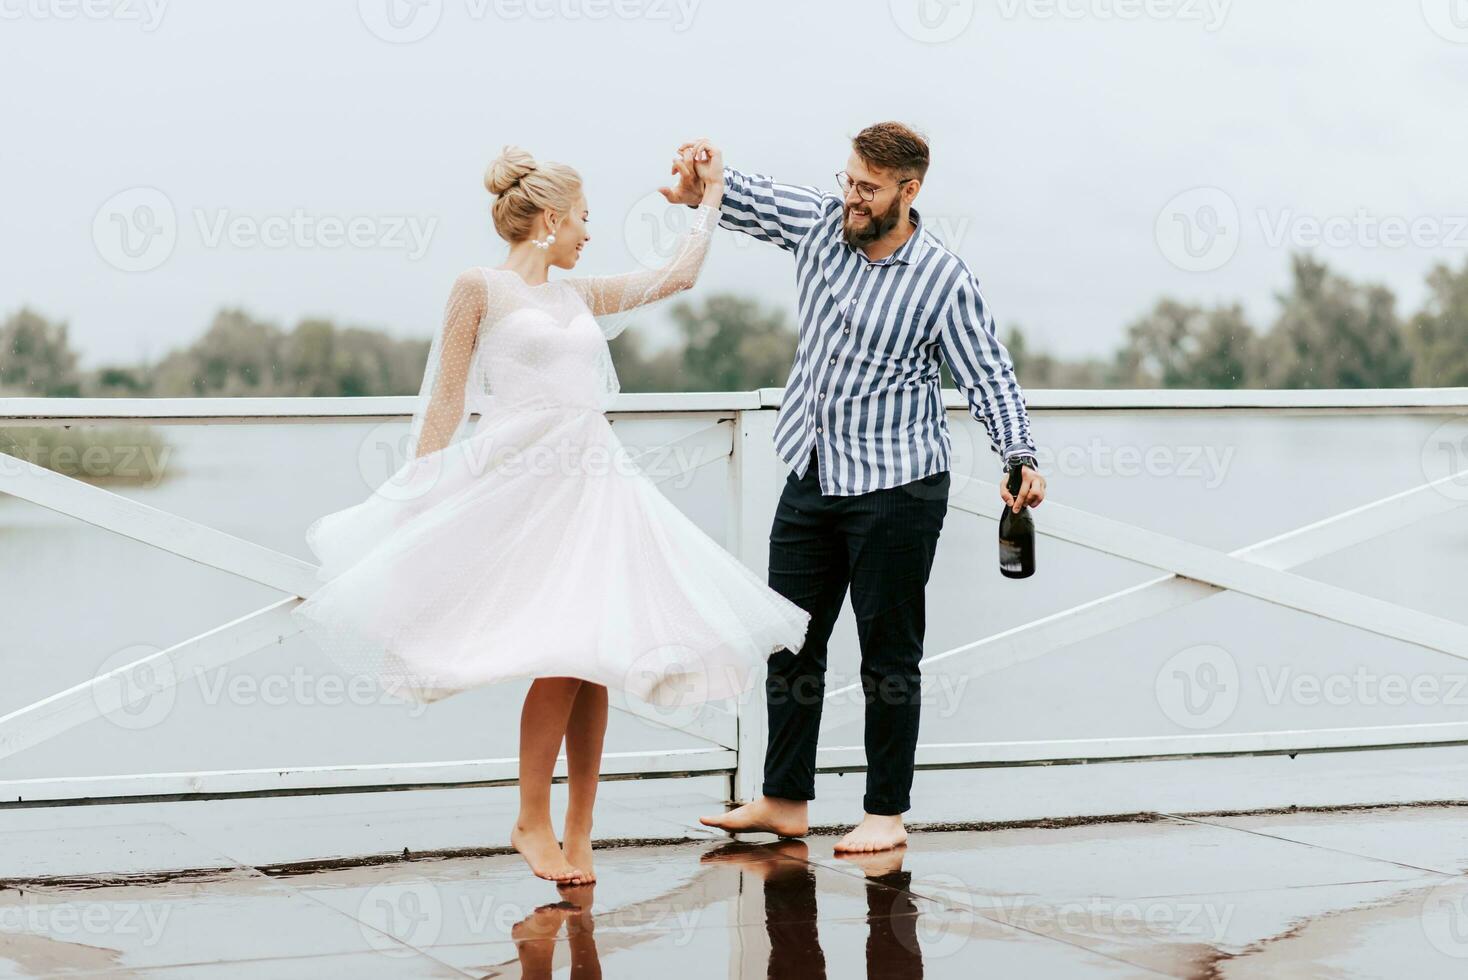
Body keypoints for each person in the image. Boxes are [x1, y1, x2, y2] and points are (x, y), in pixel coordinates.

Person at [290, 145, 811, 885]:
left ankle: (579, 831)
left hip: (594, 484)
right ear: (552, 219)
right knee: (561, 657)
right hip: (522, 482)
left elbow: (678, 275)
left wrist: (712, 199)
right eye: (586, 220)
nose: (590, 235)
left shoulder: (579, 297)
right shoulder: (480, 288)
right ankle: (531, 817)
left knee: (594, 657)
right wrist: (419, 493)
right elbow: (443, 399)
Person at [662, 122, 1046, 853]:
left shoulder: (942, 279)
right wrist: (702, 178)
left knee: (888, 656)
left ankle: (885, 813)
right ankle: (783, 801)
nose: (853, 198)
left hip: (899, 488)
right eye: (849, 180)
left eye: (869, 188)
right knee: (790, 645)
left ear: (910, 190)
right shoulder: (821, 225)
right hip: (811, 472)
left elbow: (988, 373)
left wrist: (1018, 454)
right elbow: (746, 196)